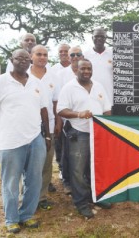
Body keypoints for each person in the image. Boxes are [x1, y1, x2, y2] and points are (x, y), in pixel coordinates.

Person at [0, 49, 50, 233]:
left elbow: (44, 109)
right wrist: (1, 129)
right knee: (11, 181)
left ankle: (27, 215)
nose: (22, 60)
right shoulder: (1, 82)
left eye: (25, 58)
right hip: (11, 141)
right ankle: (11, 219)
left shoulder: (36, 83)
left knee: (34, 179)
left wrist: (47, 134)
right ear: (11, 60)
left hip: (35, 138)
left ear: (30, 61)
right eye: (18, 58)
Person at [57, 58, 112, 218]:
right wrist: (78, 114)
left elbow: (107, 109)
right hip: (78, 133)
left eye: (89, 68)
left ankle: (95, 197)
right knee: (78, 170)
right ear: (77, 70)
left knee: (94, 167)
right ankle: (81, 202)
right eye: (83, 69)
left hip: (98, 134)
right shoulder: (69, 88)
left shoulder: (98, 86)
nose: (86, 71)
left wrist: (108, 127)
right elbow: (61, 110)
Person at [28, 45, 61, 210]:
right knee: (28, 165)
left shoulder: (53, 77)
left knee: (46, 164)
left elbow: (56, 103)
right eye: (38, 54)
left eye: (45, 54)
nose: (42, 57)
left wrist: (59, 122)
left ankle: (41, 198)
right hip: (27, 127)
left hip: (49, 126)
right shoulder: (23, 75)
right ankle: (26, 198)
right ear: (31, 56)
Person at [57, 46, 85, 195]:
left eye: (78, 54)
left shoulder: (87, 73)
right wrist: (59, 121)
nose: (75, 57)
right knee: (65, 153)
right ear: (68, 57)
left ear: (82, 56)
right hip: (66, 120)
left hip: (83, 122)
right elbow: (56, 100)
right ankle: (67, 182)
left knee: (80, 156)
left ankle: (82, 183)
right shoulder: (61, 75)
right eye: (72, 55)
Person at [51, 43, 71, 183]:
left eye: (66, 51)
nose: (63, 53)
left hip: (73, 113)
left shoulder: (77, 68)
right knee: (59, 144)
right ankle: (61, 169)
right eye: (61, 51)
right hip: (59, 112)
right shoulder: (53, 70)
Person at [83, 28, 114, 108]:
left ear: (105, 38)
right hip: (91, 97)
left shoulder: (113, 53)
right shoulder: (85, 55)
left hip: (110, 97)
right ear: (92, 38)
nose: (99, 38)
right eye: (96, 36)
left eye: (102, 36)